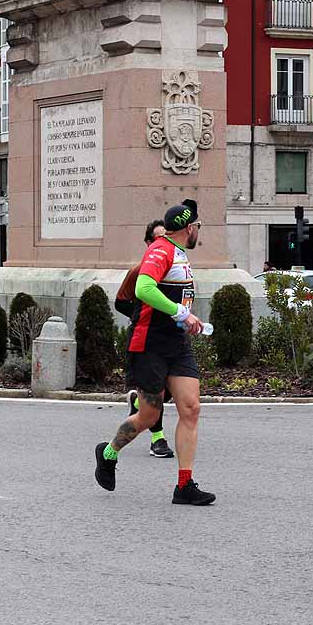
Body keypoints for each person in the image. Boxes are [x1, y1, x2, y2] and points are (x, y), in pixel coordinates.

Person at [95, 199, 215, 506]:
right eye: (198, 227)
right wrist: (181, 313)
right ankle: (108, 453)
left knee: (191, 408)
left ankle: (184, 486)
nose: (199, 232)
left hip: (177, 344)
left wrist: (188, 319)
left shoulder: (179, 254)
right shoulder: (160, 250)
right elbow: (143, 289)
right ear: (189, 228)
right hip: (149, 344)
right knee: (149, 415)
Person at [114, 219, 174, 459]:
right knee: (156, 390)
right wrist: (143, 319)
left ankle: (138, 406)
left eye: (166, 238)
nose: (162, 243)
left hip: (173, 338)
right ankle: (157, 439)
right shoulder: (138, 272)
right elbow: (120, 302)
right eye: (157, 239)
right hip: (146, 338)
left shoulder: (177, 269)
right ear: (148, 243)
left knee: (171, 389)